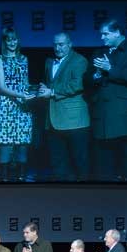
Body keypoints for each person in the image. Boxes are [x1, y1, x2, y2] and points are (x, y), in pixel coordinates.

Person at [90, 19, 127, 182]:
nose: (102, 37)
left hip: (125, 117)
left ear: (117, 32)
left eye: (105, 34)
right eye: (101, 34)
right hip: (103, 119)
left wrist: (110, 69)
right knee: (104, 167)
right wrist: (96, 75)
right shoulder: (99, 52)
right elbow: (88, 79)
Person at [37, 32, 90, 181]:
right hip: (53, 120)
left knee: (80, 163)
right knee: (58, 164)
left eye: (61, 44)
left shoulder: (79, 60)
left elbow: (76, 84)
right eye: (55, 44)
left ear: (70, 44)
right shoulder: (49, 61)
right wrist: (43, 88)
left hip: (74, 121)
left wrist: (52, 92)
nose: (57, 48)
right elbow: (51, 84)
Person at [0, 26, 36, 182]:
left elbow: (25, 82)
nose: (12, 42)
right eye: (9, 39)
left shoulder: (24, 59)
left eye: (14, 39)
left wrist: (33, 91)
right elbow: (2, 87)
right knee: (6, 143)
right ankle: (3, 177)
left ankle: (21, 176)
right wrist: (21, 95)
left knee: (23, 142)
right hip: (6, 105)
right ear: (4, 41)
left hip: (23, 106)